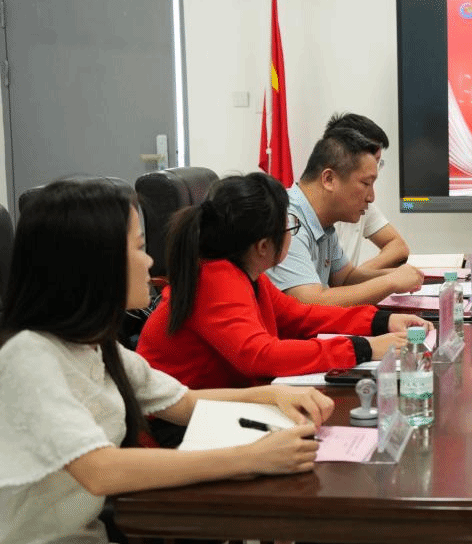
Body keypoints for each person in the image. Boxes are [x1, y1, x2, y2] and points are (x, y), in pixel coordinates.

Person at [0, 178, 327, 544]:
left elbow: (185, 401)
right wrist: (250, 458)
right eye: (138, 248)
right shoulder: (28, 357)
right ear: (94, 262)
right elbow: (100, 470)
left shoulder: (96, 347)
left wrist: (271, 394)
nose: (150, 260)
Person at [137, 172, 425, 397]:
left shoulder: (247, 275)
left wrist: (381, 322)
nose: (291, 234)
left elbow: (301, 316)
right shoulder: (214, 280)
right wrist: (364, 348)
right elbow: (262, 356)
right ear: (263, 246)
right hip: (174, 427)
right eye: (289, 227)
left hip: (216, 405)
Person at [268, 127, 423, 306]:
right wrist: (390, 282)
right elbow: (311, 302)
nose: (371, 197)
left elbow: (345, 278)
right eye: (366, 183)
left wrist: (395, 275)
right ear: (329, 179)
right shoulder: (288, 221)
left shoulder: (323, 221)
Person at [324, 112, 412, 274]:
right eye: (373, 161)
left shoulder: (360, 201)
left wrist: (354, 276)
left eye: (378, 163)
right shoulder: (299, 219)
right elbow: (316, 291)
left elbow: (398, 246)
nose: (371, 198)